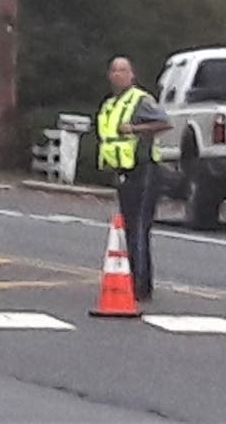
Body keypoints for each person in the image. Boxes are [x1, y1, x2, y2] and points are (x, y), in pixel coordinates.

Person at [95, 56, 173, 301]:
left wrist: (135, 129)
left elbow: (164, 122)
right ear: (109, 75)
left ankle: (141, 285)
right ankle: (136, 280)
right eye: (115, 70)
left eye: (123, 70)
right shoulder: (110, 104)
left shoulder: (141, 100)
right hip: (123, 171)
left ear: (132, 75)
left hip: (144, 169)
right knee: (130, 226)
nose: (118, 74)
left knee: (139, 226)